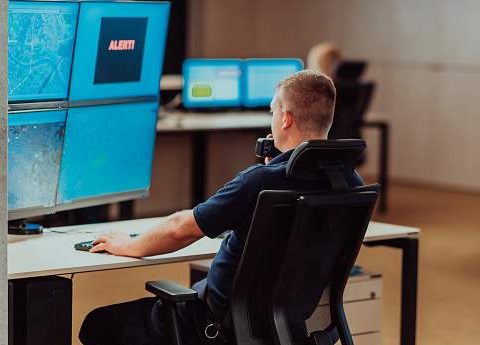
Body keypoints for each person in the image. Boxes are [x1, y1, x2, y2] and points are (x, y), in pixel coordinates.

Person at [79, 70, 364, 345]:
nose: (273, 119)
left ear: (285, 119)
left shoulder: (257, 183)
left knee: (98, 324)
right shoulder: (350, 181)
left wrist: (130, 244)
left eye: (273, 112)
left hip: (216, 327)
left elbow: (181, 230)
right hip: (293, 326)